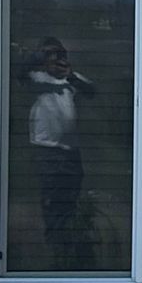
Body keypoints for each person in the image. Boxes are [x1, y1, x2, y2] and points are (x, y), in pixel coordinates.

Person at [25, 38, 95, 268]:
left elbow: (91, 90)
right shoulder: (36, 77)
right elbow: (19, 73)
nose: (56, 60)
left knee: (70, 199)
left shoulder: (70, 79)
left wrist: (69, 75)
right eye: (51, 56)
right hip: (48, 151)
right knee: (53, 200)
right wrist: (41, 64)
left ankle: (67, 243)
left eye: (59, 55)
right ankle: (54, 248)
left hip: (70, 152)